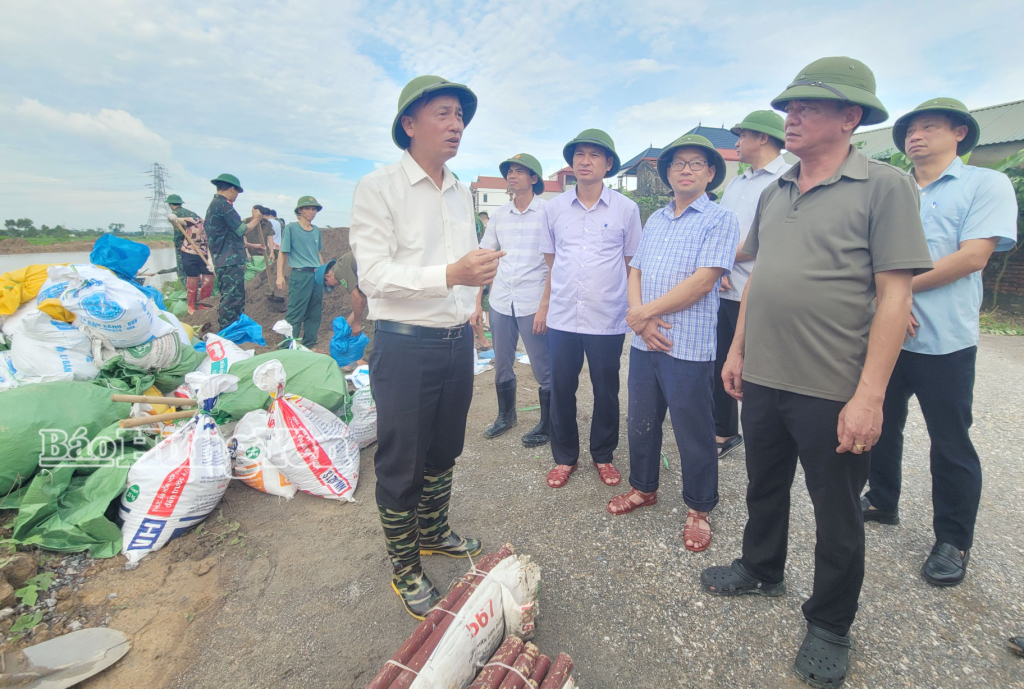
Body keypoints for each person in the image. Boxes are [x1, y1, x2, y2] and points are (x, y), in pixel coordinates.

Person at [700, 57, 933, 688]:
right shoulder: (775, 193)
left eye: (808, 107)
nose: (791, 117)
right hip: (766, 375)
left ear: (850, 118)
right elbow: (758, 279)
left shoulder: (884, 186)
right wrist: (738, 350)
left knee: (836, 510)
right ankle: (760, 567)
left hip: (833, 385)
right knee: (764, 483)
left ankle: (830, 621)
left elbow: (895, 296)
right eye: (788, 107)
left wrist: (870, 396)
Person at [350, 75, 504, 619]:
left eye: (460, 114)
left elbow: (464, 266)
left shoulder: (462, 191)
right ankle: (405, 565)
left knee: (444, 448)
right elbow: (372, 275)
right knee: (401, 461)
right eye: (443, 113)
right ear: (409, 125)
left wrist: (473, 300)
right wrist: (450, 273)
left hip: (456, 341)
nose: (456, 124)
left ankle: (435, 532)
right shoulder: (379, 188)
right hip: (404, 345)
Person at [862, 98, 1018, 587]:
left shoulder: (984, 184)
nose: (915, 136)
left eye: (929, 127)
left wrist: (899, 292)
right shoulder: (893, 187)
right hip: (887, 334)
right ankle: (882, 500)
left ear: (959, 133)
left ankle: (953, 538)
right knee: (879, 423)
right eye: (909, 129)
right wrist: (888, 303)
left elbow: (972, 257)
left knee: (950, 442)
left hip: (944, 339)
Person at [607, 134, 739, 555]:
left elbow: (704, 281)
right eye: (678, 163)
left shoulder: (720, 219)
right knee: (641, 421)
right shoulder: (658, 218)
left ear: (710, 172)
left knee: (692, 430)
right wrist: (640, 319)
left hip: (688, 344)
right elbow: (636, 271)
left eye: (696, 163)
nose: (685, 169)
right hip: (647, 342)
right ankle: (643, 488)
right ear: (666, 173)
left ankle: (699, 508)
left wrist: (642, 315)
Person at [541, 129, 642, 489]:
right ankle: (564, 457)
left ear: (608, 163)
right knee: (562, 388)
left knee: (606, 388)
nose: (585, 161)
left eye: (594, 155)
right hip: (564, 317)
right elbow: (552, 261)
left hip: (608, 316)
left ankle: (603, 454)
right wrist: (548, 305)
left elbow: (633, 263)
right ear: (572, 163)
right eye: (579, 155)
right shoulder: (552, 209)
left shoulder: (627, 209)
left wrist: (635, 309)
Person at [714, 111, 791, 458]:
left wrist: (720, 261)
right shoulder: (737, 182)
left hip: (760, 292)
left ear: (762, 137)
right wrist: (718, 265)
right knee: (720, 362)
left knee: (758, 370)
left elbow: (771, 240)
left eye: (742, 135)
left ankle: (767, 440)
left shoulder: (789, 177)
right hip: (723, 288)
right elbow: (720, 232)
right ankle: (723, 431)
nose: (737, 142)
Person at [473, 153, 553, 447]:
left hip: (534, 300)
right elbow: (484, 258)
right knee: (502, 361)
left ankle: (548, 423)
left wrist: (546, 305)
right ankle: (506, 416)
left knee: (542, 365)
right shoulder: (498, 215)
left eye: (519, 171)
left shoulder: (548, 212)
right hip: (501, 299)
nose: (512, 176)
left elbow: (555, 263)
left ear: (534, 179)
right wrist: (476, 304)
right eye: (509, 171)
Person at [204, 174, 264, 330]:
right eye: (237, 192)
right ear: (232, 189)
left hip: (224, 259)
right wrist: (256, 219)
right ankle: (228, 331)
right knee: (232, 298)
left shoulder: (215, 205)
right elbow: (242, 229)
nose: (237, 196)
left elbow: (228, 236)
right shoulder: (223, 205)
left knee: (233, 296)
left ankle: (233, 329)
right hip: (229, 261)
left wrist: (251, 246)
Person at [277, 196, 326, 349]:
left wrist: (323, 272)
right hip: (300, 274)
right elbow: (283, 253)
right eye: (308, 208)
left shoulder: (316, 231)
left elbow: (317, 253)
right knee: (295, 312)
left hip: (316, 275)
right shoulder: (291, 229)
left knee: (314, 312)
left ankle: (308, 344)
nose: (312, 212)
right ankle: (288, 346)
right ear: (300, 210)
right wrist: (279, 275)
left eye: (314, 209)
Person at [325, 251, 374, 368]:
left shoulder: (339, 270)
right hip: (376, 274)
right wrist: (348, 323)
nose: (335, 286)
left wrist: (357, 323)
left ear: (327, 276)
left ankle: (365, 360)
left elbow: (357, 298)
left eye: (330, 285)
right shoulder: (347, 267)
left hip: (379, 272)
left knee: (378, 322)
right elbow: (362, 298)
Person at [166, 193, 197, 284]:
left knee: (182, 269)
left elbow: (178, 233)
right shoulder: (191, 213)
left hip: (182, 246)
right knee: (195, 268)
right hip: (195, 245)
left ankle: (188, 291)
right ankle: (198, 289)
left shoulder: (174, 215)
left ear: (170, 204)